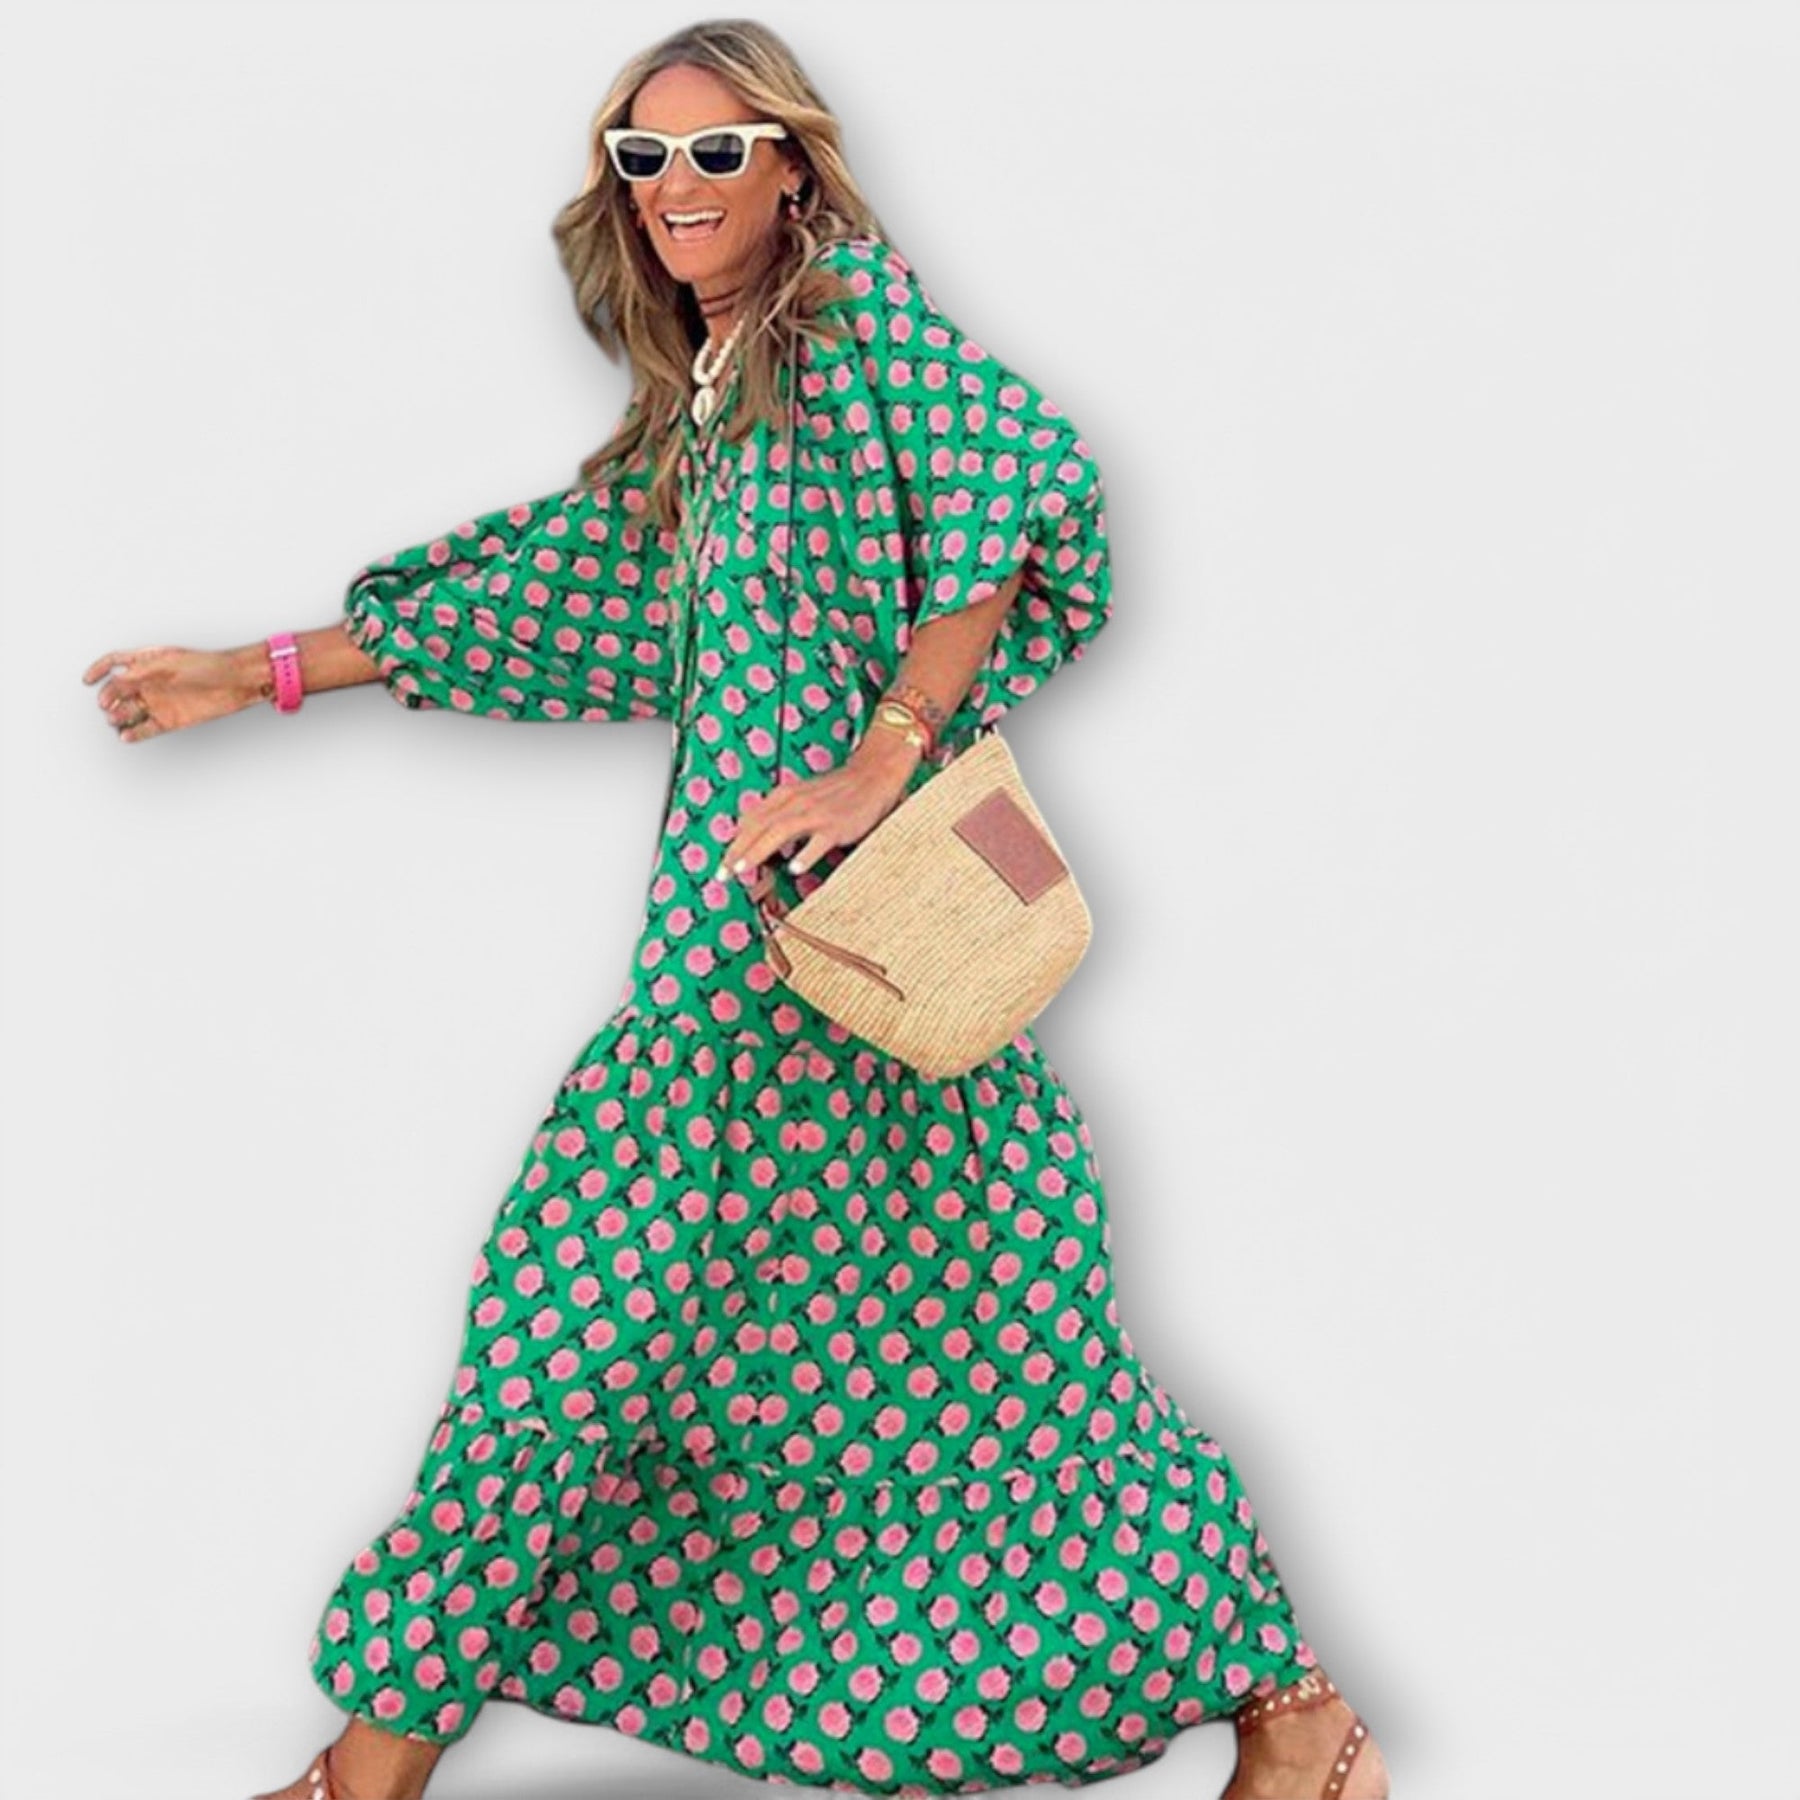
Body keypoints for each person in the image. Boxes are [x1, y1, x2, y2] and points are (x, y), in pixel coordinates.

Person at [83, 20, 1389, 1800]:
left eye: (716, 150)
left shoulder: (852, 329)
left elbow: (1015, 476)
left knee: (668, 1347)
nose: (677, 185)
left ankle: (369, 1772)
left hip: (862, 947)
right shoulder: (725, 395)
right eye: (644, 156)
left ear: (792, 167)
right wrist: (260, 670)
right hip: (736, 958)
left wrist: (879, 758)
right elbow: (556, 585)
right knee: (943, 1359)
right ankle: (1294, 1717)